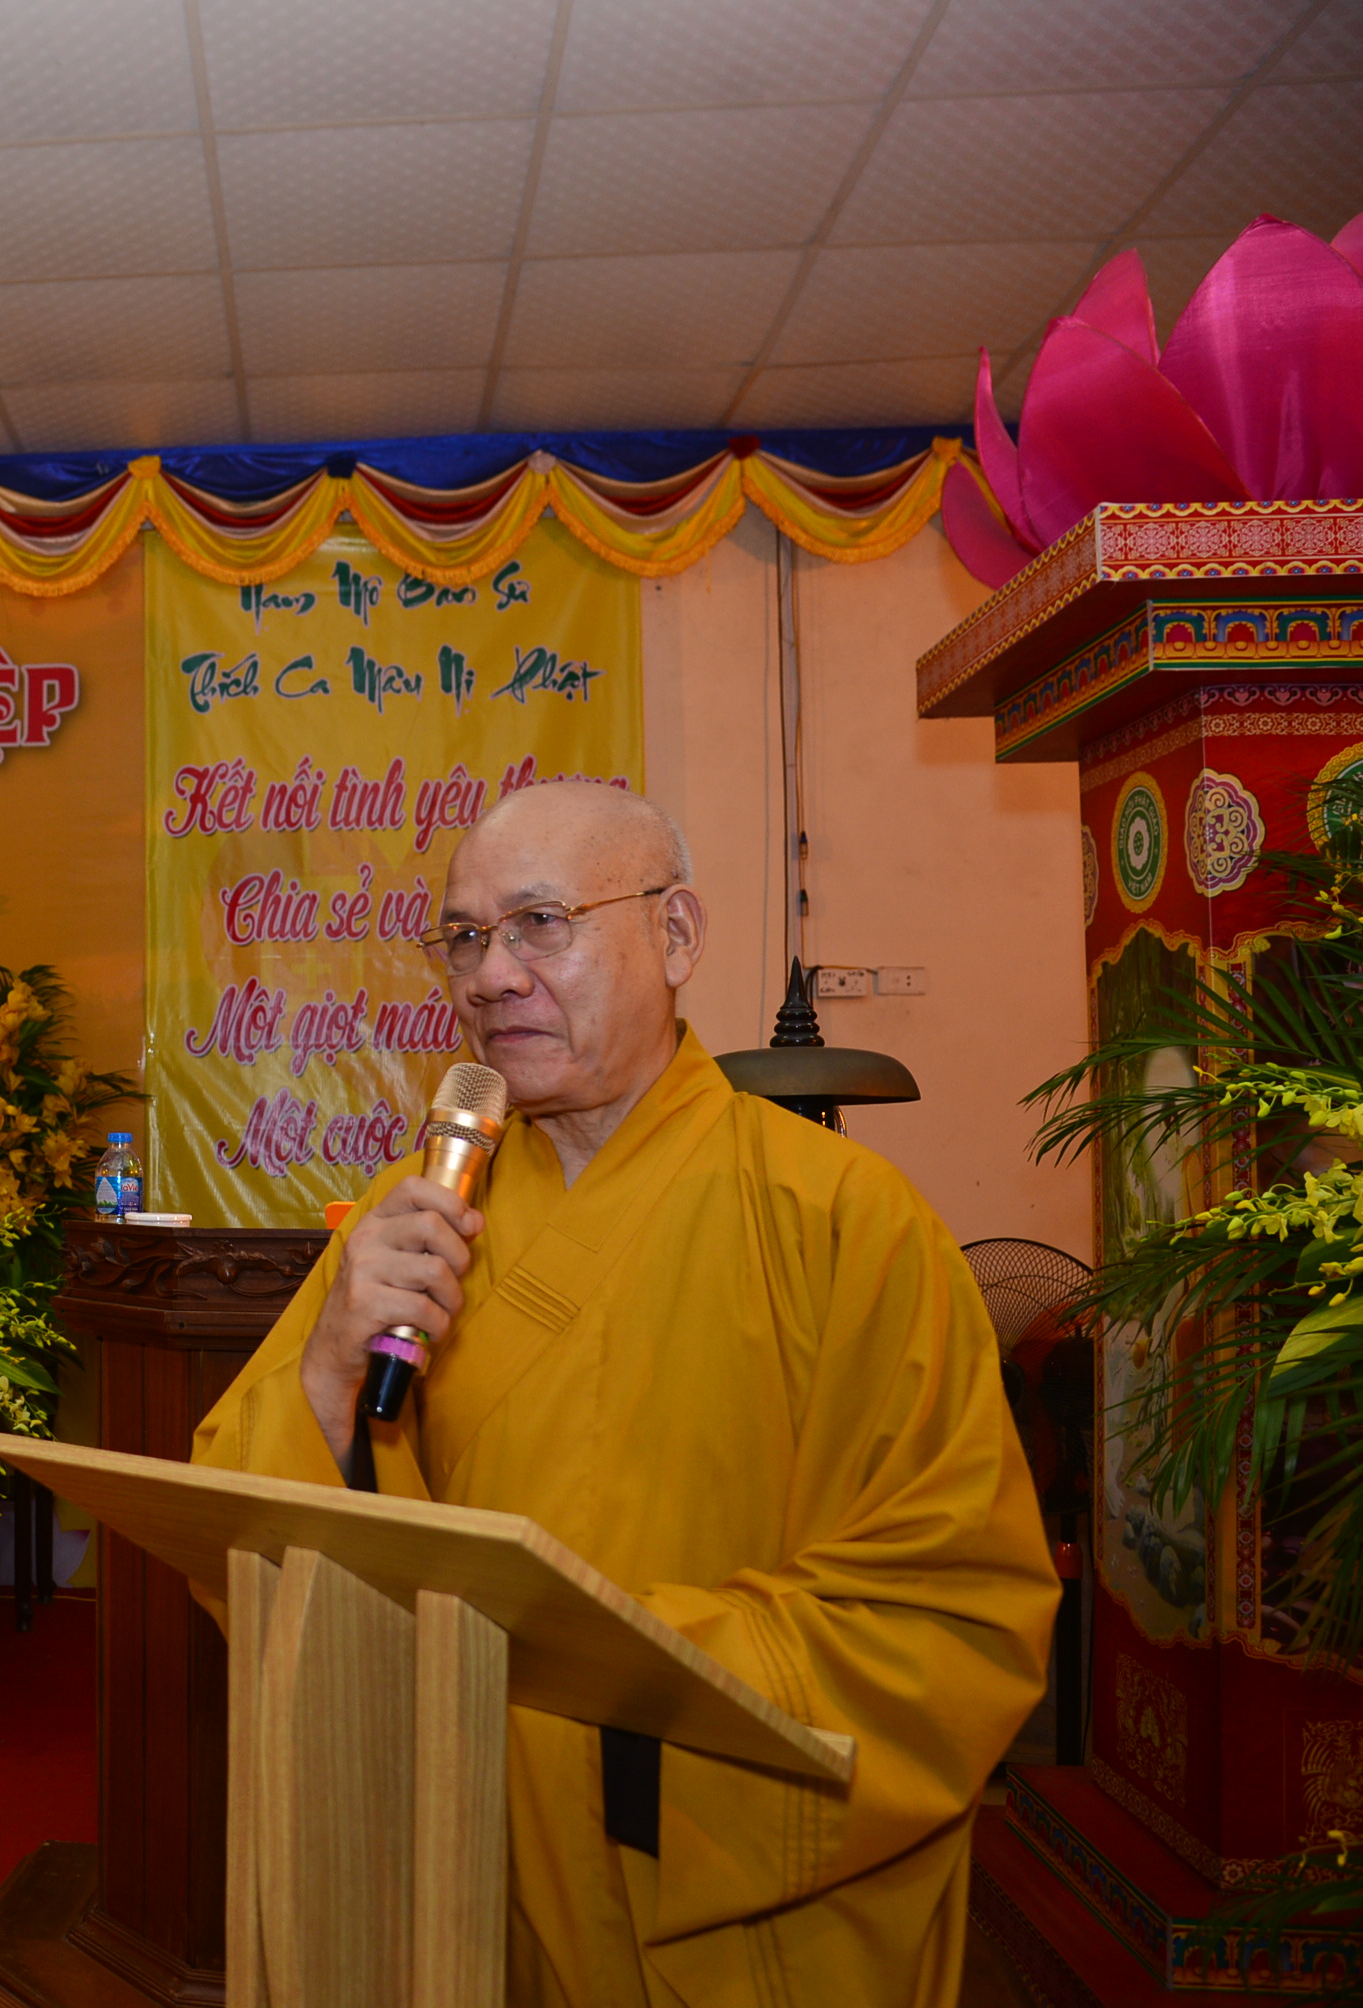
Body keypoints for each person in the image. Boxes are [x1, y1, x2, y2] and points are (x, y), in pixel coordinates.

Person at [193, 780, 1057, 2007]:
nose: (490, 975)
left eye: (539, 922)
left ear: (676, 933)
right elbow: (241, 1520)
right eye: (463, 936)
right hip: (457, 1867)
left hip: (690, 1869)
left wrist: (623, 1692)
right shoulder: (417, 1209)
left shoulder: (840, 1220)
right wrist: (330, 1372)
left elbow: (952, 1611)